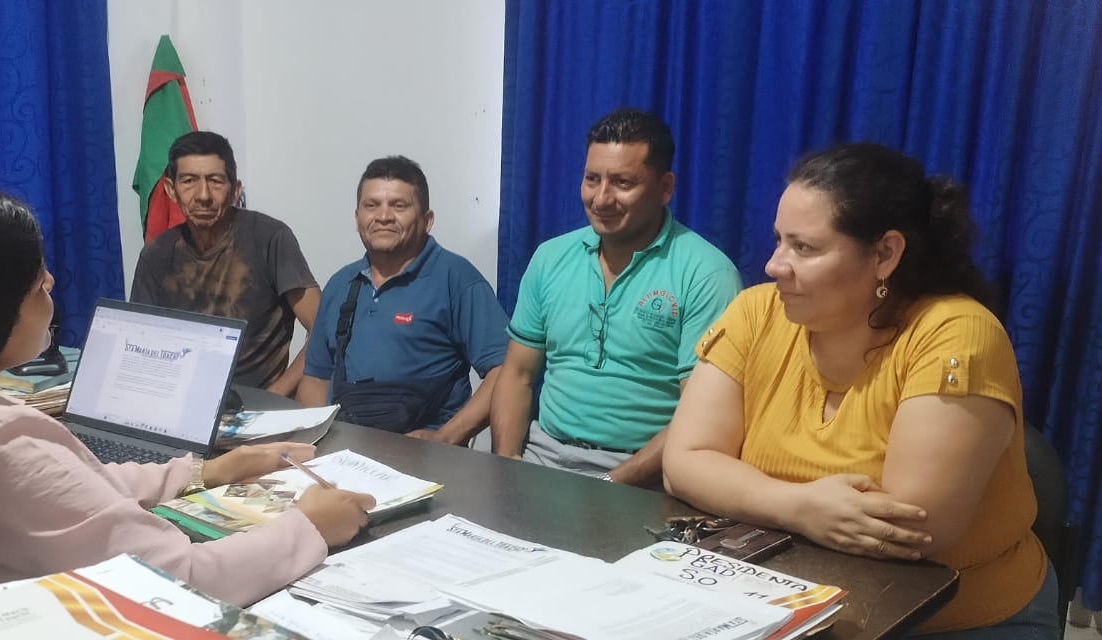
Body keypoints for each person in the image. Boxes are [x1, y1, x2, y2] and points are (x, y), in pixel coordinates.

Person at [661, 143, 1059, 640]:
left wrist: (748, 492)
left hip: (954, 622)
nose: (774, 265)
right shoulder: (755, 314)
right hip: (791, 607)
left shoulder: (956, 332)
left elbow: (909, 528)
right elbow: (685, 461)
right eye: (778, 241)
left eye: (805, 248)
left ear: (886, 254)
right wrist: (800, 506)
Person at [0, 180, 375, 607]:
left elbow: (75, 494)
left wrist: (205, 472)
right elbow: (179, 582)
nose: (51, 282)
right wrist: (310, 525)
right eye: (34, 280)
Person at [490, 108, 741, 486]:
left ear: (665, 187)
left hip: (646, 476)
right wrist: (507, 463)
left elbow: (700, 415)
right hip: (542, 457)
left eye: (622, 182)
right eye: (592, 179)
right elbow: (518, 374)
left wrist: (612, 483)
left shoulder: (707, 274)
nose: (601, 199)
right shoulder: (550, 257)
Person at [297, 156, 508, 445]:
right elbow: (316, 378)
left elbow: (505, 370)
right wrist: (316, 444)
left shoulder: (456, 279)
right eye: (372, 205)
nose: (383, 216)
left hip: (427, 458)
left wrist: (445, 437)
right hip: (345, 453)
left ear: (427, 220)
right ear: (357, 217)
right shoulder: (340, 285)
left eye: (399, 206)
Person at [131, 131, 319, 396]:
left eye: (215, 181)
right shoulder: (157, 254)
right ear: (171, 190)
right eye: (189, 181)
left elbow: (322, 327)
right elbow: (140, 342)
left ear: (235, 190)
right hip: (180, 398)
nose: (203, 195)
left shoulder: (269, 238)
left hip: (256, 404)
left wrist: (275, 395)